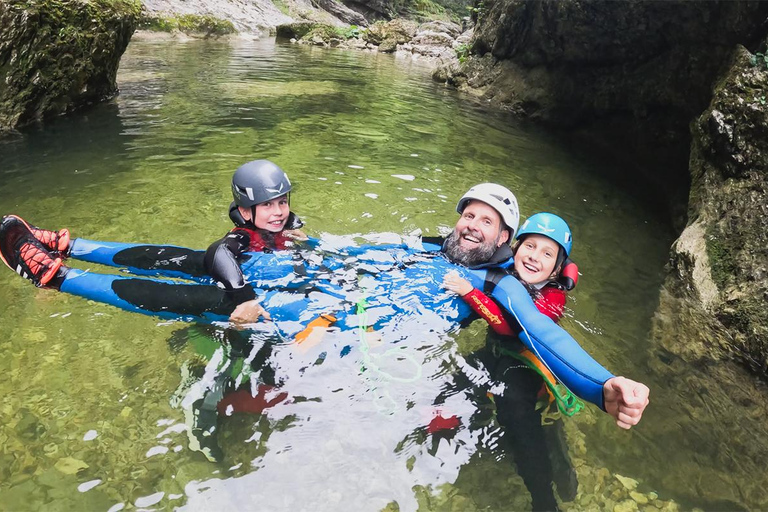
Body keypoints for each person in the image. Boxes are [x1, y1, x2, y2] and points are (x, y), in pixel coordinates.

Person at [0, 159, 307, 325]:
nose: (279, 211)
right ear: (244, 211)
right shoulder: (240, 236)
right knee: (180, 259)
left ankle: (60, 270)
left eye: (282, 203)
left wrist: (299, 242)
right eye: (268, 205)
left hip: (248, 281)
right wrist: (245, 297)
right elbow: (218, 252)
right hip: (236, 280)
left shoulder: (286, 228)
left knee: (186, 286)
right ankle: (60, 262)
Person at [440, 210, 583, 510]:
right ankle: (440, 439)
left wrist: (469, 294)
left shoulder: (554, 297)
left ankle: (545, 497)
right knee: (452, 385)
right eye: (529, 246)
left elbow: (512, 326)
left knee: (516, 412)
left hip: (527, 363)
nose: (534, 257)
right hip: (497, 353)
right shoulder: (507, 272)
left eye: (547, 253)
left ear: (557, 270)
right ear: (515, 249)